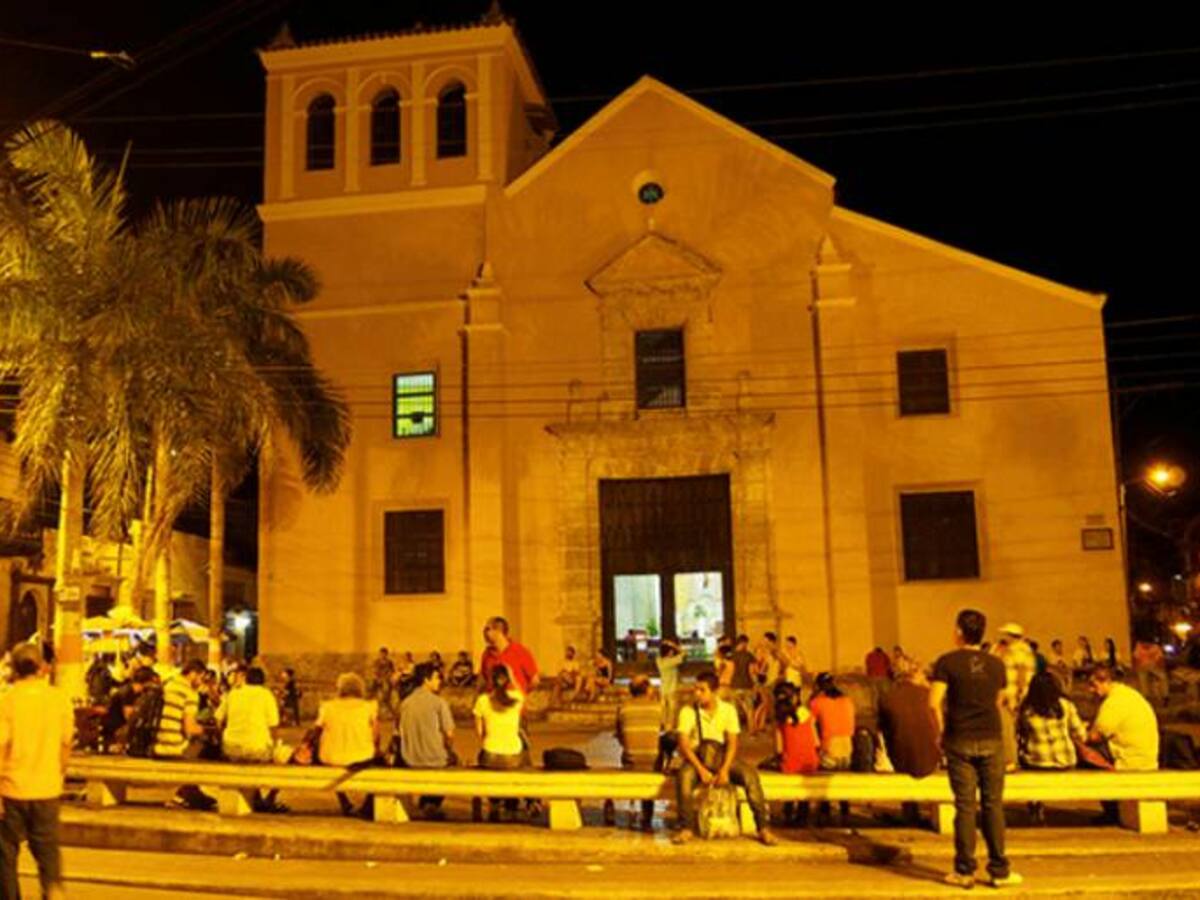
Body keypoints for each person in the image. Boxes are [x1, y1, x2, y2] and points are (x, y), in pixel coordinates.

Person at [930, 608, 1020, 889]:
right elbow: (1001, 700)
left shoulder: (946, 662)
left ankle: (965, 870)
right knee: (993, 804)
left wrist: (941, 731)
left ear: (959, 631)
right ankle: (999, 870)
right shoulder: (996, 665)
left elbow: (933, 702)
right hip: (991, 737)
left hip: (959, 738)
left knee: (965, 806)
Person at [0, 644, 73, 900]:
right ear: (42, 667)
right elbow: (65, 746)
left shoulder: (6, 701)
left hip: (12, 788)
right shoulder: (59, 699)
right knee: (47, 850)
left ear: (14, 669)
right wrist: (59, 776)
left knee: (5, 852)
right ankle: (52, 891)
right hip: (47, 787)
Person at [671, 671, 776, 846]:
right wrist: (701, 770)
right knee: (684, 778)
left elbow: (732, 743)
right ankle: (686, 828)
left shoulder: (728, 710)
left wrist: (725, 769)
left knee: (750, 776)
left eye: (702, 690)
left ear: (714, 692)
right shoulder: (688, 711)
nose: (697, 693)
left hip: (721, 758)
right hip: (697, 759)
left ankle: (763, 828)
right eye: (695, 689)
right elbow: (684, 744)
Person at [1088, 664, 1159, 825]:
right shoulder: (1129, 695)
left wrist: (1080, 734)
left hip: (1130, 757)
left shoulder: (1114, 703)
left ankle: (1111, 810)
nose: (1091, 690)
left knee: (1087, 754)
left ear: (1105, 681)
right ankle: (1113, 810)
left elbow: (1096, 736)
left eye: (1093, 685)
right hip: (1145, 754)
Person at [1017, 671, 1088, 824]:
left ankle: (1036, 804)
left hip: (1037, 763)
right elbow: (1080, 734)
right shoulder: (1065, 705)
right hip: (1066, 761)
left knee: (1026, 757)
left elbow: (1020, 733)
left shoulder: (1027, 709)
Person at [878, 656, 940, 824]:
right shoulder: (929, 696)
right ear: (914, 674)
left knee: (901, 744)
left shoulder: (887, 698)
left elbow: (885, 732)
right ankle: (913, 813)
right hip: (931, 759)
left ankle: (910, 812)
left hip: (902, 760)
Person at [217, 666, 285, 812]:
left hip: (231, 748)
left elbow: (218, 718)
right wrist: (275, 745)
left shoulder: (233, 694)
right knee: (281, 758)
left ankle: (257, 798)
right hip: (257, 749)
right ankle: (266, 798)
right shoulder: (266, 695)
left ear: (246, 679)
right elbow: (273, 725)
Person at [154, 659, 217, 811]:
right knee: (204, 746)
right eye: (201, 678)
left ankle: (193, 791)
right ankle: (183, 793)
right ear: (193, 674)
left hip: (156, 741)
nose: (201, 682)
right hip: (172, 745)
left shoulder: (169, 684)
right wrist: (207, 731)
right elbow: (190, 728)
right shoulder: (189, 692)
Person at [398, 662, 457, 819]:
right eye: (437, 678)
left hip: (409, 759)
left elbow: (398, 732)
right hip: (434, 760)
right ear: (426, 679)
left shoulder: (405, 704)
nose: (440, 681)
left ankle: (427, 804)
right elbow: (450, 734)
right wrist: (449, 749)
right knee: (452, 761)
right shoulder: (439, 703)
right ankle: (430, 803)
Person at [317, 672, 380, 818]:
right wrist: (376, 749)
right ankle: (367, 805)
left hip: (331, 757)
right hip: (362, 756)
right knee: (382, 765)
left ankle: (345, 801)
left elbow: (316, 730)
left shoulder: (327, 706)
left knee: (330, 755)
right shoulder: (369, 707)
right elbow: (376, 735)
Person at [473, 666, 525, 821]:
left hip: (491, 752)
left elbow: (479, 732)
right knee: (520, 757)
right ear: (507, 680)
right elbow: (521, 691)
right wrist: (512, 675)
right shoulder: (516, 698)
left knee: (486, 761)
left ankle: (494, 803)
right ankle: (511, 805)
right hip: (513, 754)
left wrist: (488, 741)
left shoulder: (482, 700)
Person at [610, 675, 661, 830]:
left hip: (631, 760)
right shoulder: (658, 707)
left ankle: (632, 805)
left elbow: (619, 735)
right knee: (655, 759)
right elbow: (665, 730)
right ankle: (647, 816)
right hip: (653, 761)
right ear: (648, 689)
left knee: (628, 756)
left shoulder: (624, 708)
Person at [809, 672, 855, 824]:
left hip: (830, 746)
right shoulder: (847, 700)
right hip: (848, 746)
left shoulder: (817, 702)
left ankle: (825, 811)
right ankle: (844, 810)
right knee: (843, 779)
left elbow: (810, 725)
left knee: (824, 776)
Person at [773, 682, 819, 826]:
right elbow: (816, 742)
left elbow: (779, 750)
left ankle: (788, 811)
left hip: (790, 766)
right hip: (810, 764)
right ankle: (802, 814)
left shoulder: (780, 720)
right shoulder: (808, 714)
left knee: (785, 765)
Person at [995, 623, 1036, 770]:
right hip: (1020, 693)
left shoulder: (1015, 651)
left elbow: (1020, 675)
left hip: (1011, 694)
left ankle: (1010, 760)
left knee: (1008, 727)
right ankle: (1014, 758)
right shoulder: (1027, 651)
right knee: (1016, 728)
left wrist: (1016, 696)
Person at [479, 617, 540, 695]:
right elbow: (484, 680)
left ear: (498, 631)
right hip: (493, 703)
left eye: (487, 629)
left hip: (514, 703)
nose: (484, 632)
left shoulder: (519, 651)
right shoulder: (487, 654)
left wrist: (521, 694)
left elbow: (534, 680)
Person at [728, 635, 757, 729]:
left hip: (735, 685)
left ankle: (734, 730)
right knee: (749, 709)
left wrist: (728, 682)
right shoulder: (749, 655)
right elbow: (752, 672)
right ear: (744, 643)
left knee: (733, 710)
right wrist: (755, 684)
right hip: (747, 685)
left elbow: (730, 670)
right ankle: (752, 731)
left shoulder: (732, 655)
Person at [655, 638, 683, 731]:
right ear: (668, 652)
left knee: (663, 708)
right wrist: (674, 645)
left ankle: (662, 724)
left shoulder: (659, 661)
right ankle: (669, 726)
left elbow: (659, 653)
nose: (672, 653)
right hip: (671, 688)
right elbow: (683, 654)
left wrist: (666, 644)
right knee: (671, 709)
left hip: (663, 688)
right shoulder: (672, 661)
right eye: (671, 651)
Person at [1132, 638, 1167, 706]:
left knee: (1162, 678)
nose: (1146, 645)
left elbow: (1160, 658)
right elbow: (1135, 657)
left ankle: (1164, 696)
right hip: (1143, 666)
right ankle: (1146, 697)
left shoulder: (1155, 647)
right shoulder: (1139, 646)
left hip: (1153, 665)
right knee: (1143, 682)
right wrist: (1135, 667)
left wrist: (1161, 666)